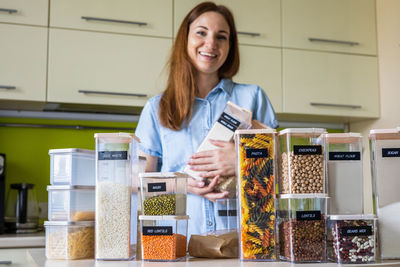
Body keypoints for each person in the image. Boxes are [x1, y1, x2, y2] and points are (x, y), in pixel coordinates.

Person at [135, 1, 278, 236]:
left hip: (246, 243)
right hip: (180, 243)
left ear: (230, 46)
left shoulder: (252, 97)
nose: (211, 44)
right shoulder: (157, 108)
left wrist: (243, 161)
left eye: (221, 37)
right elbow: (140, 191)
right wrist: (180, 186)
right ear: (186, 39)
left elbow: (283, 177)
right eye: (201, 33)